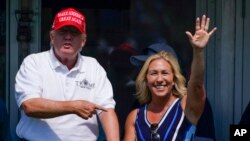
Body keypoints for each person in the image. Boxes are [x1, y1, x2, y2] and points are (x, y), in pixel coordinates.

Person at [15, 7, 119, 141]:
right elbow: (30, 106)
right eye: (63, 31)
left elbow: (107, 110)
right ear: (52, 37)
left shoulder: (93, 66)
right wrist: (74, 107)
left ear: (83, 41)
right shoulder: (34, 62)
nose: (68, 36)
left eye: (74, 32)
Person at [124, 15, 217, 141]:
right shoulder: (135, 116)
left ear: (174, 78)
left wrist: (198, 51)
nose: (159, 79)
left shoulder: (185, 106)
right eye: (153, 73)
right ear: (145, 79)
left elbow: (196, 86)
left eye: (165, 73)